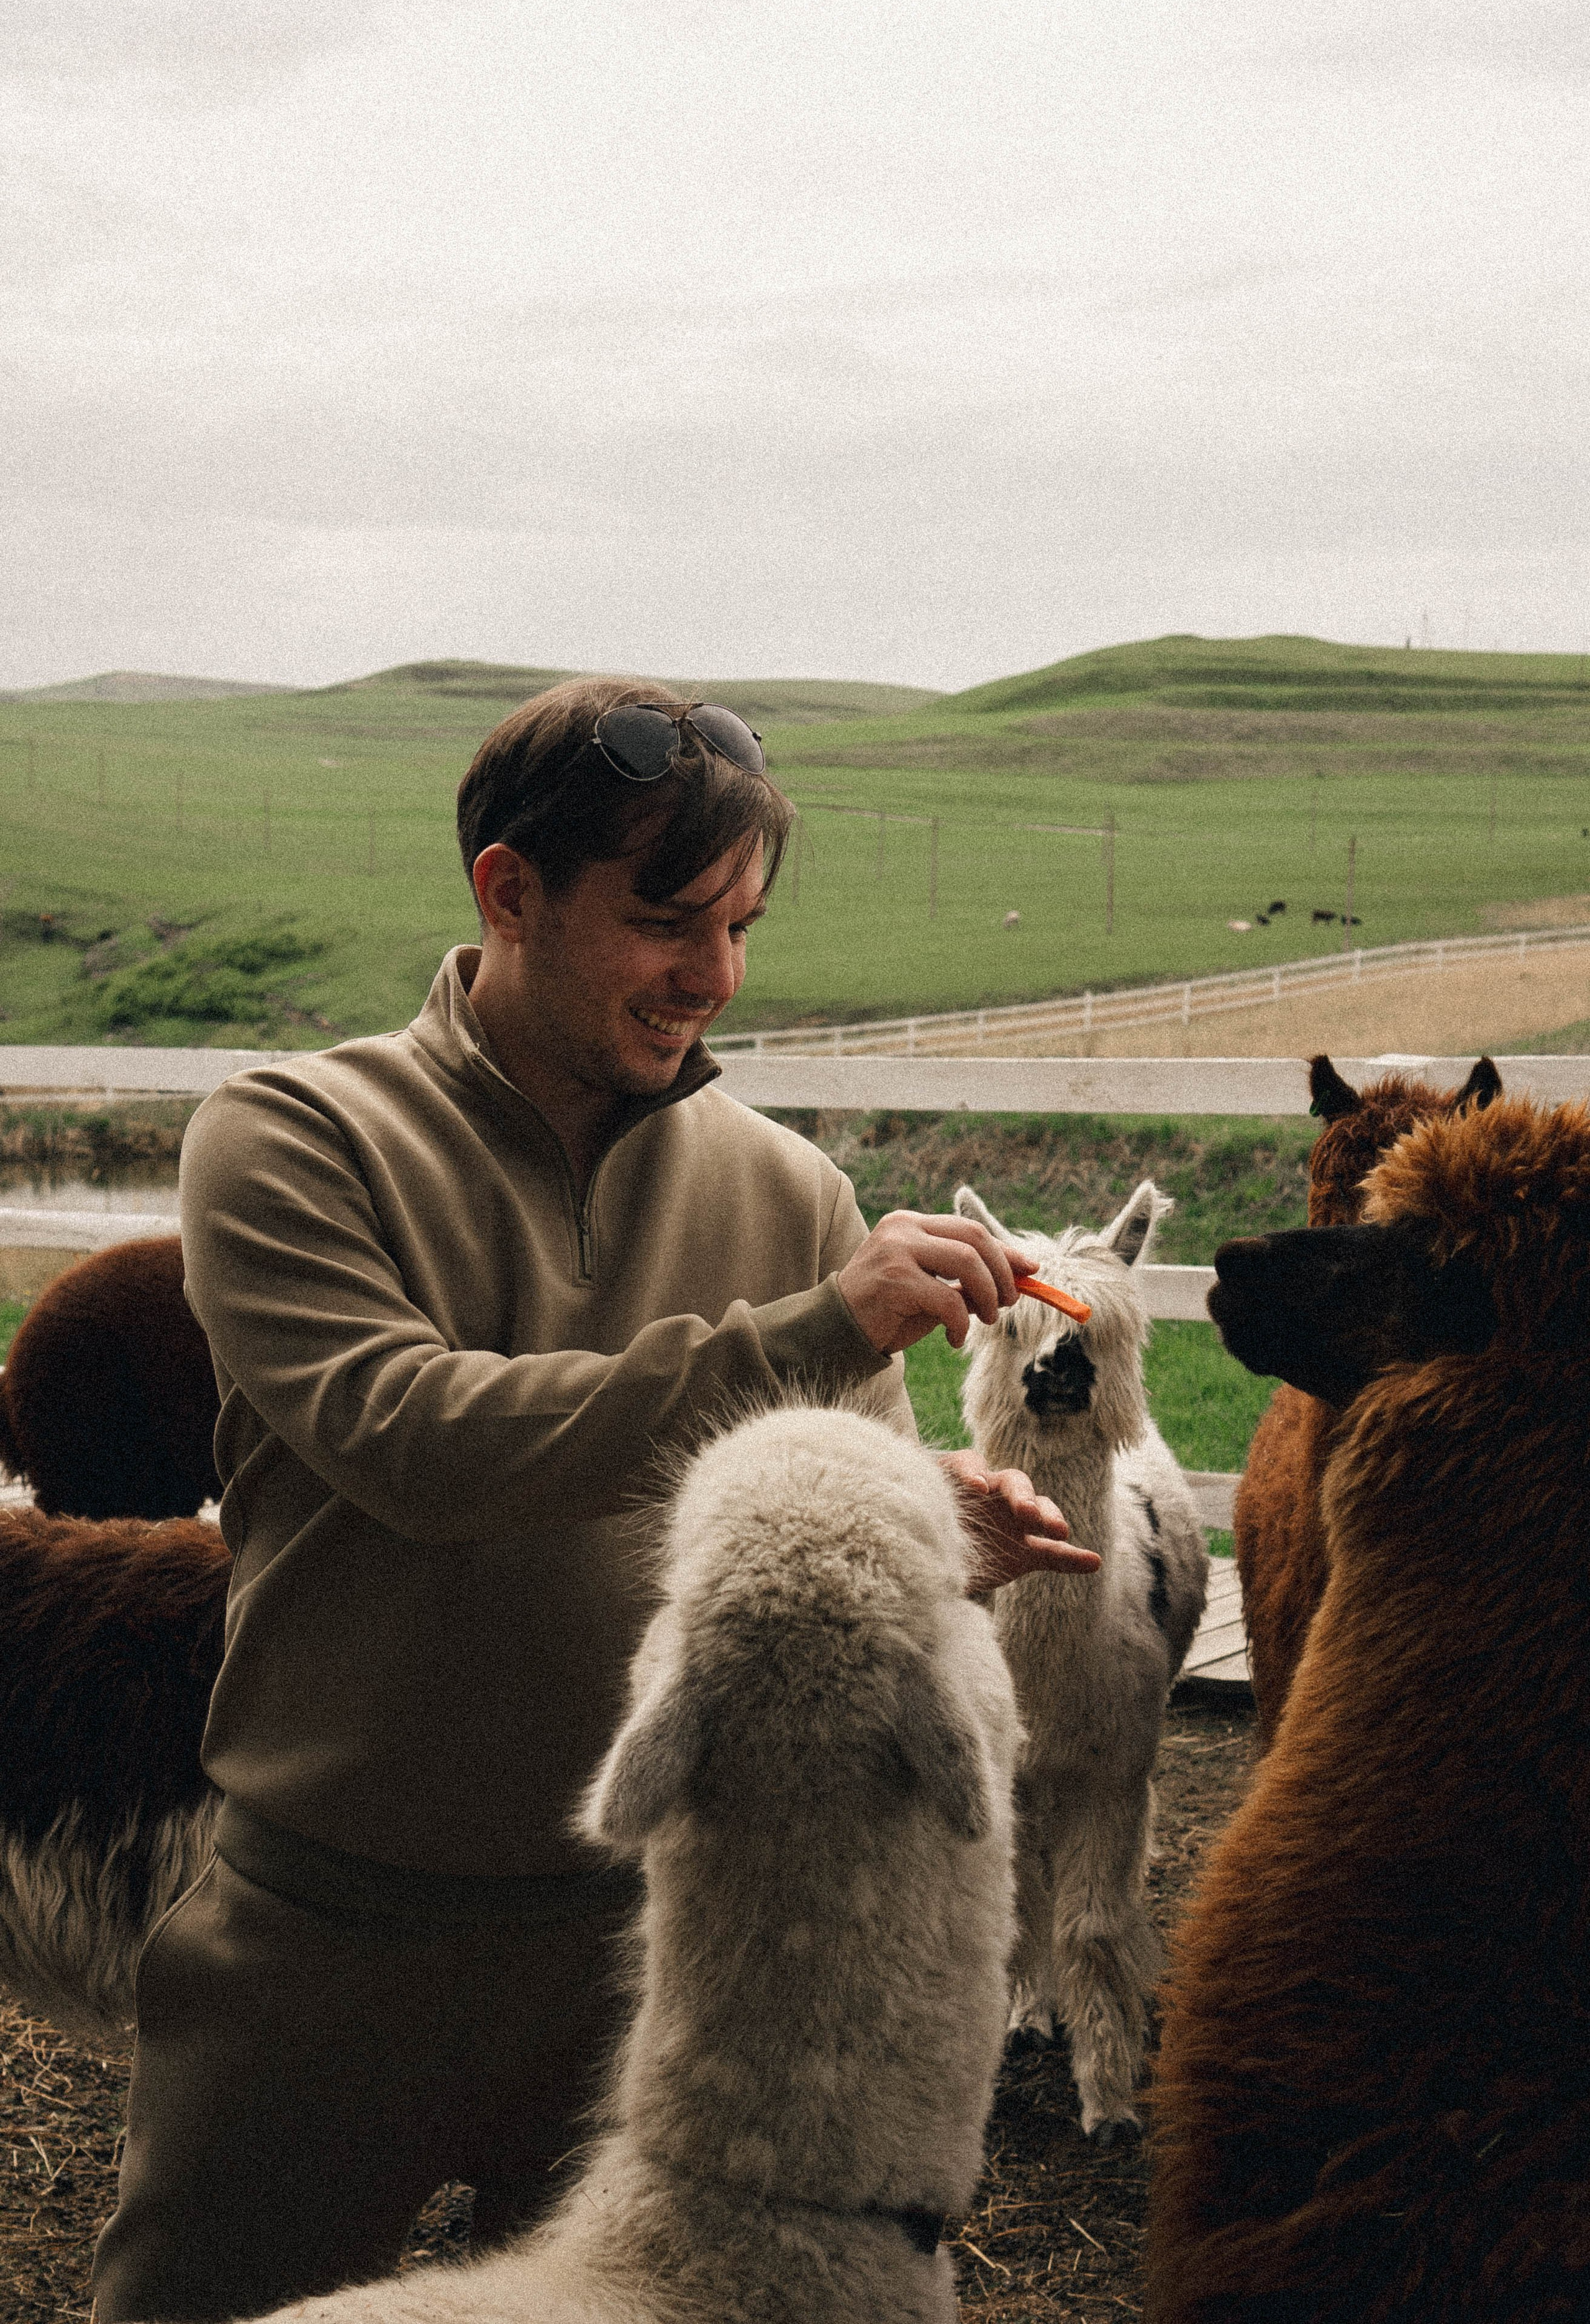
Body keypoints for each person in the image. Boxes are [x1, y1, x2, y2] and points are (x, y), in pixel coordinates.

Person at [90, 677, 1096, 2323]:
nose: (714, 977)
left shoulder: (789, 1193)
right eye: (667, 920)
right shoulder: (292, 1136)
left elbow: (826, 1496)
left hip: (663, 1955)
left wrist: (932, 1523)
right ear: (509, 893)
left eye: (744, 925)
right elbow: (410, 1436)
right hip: (328, 1937)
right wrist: (807, 1331)